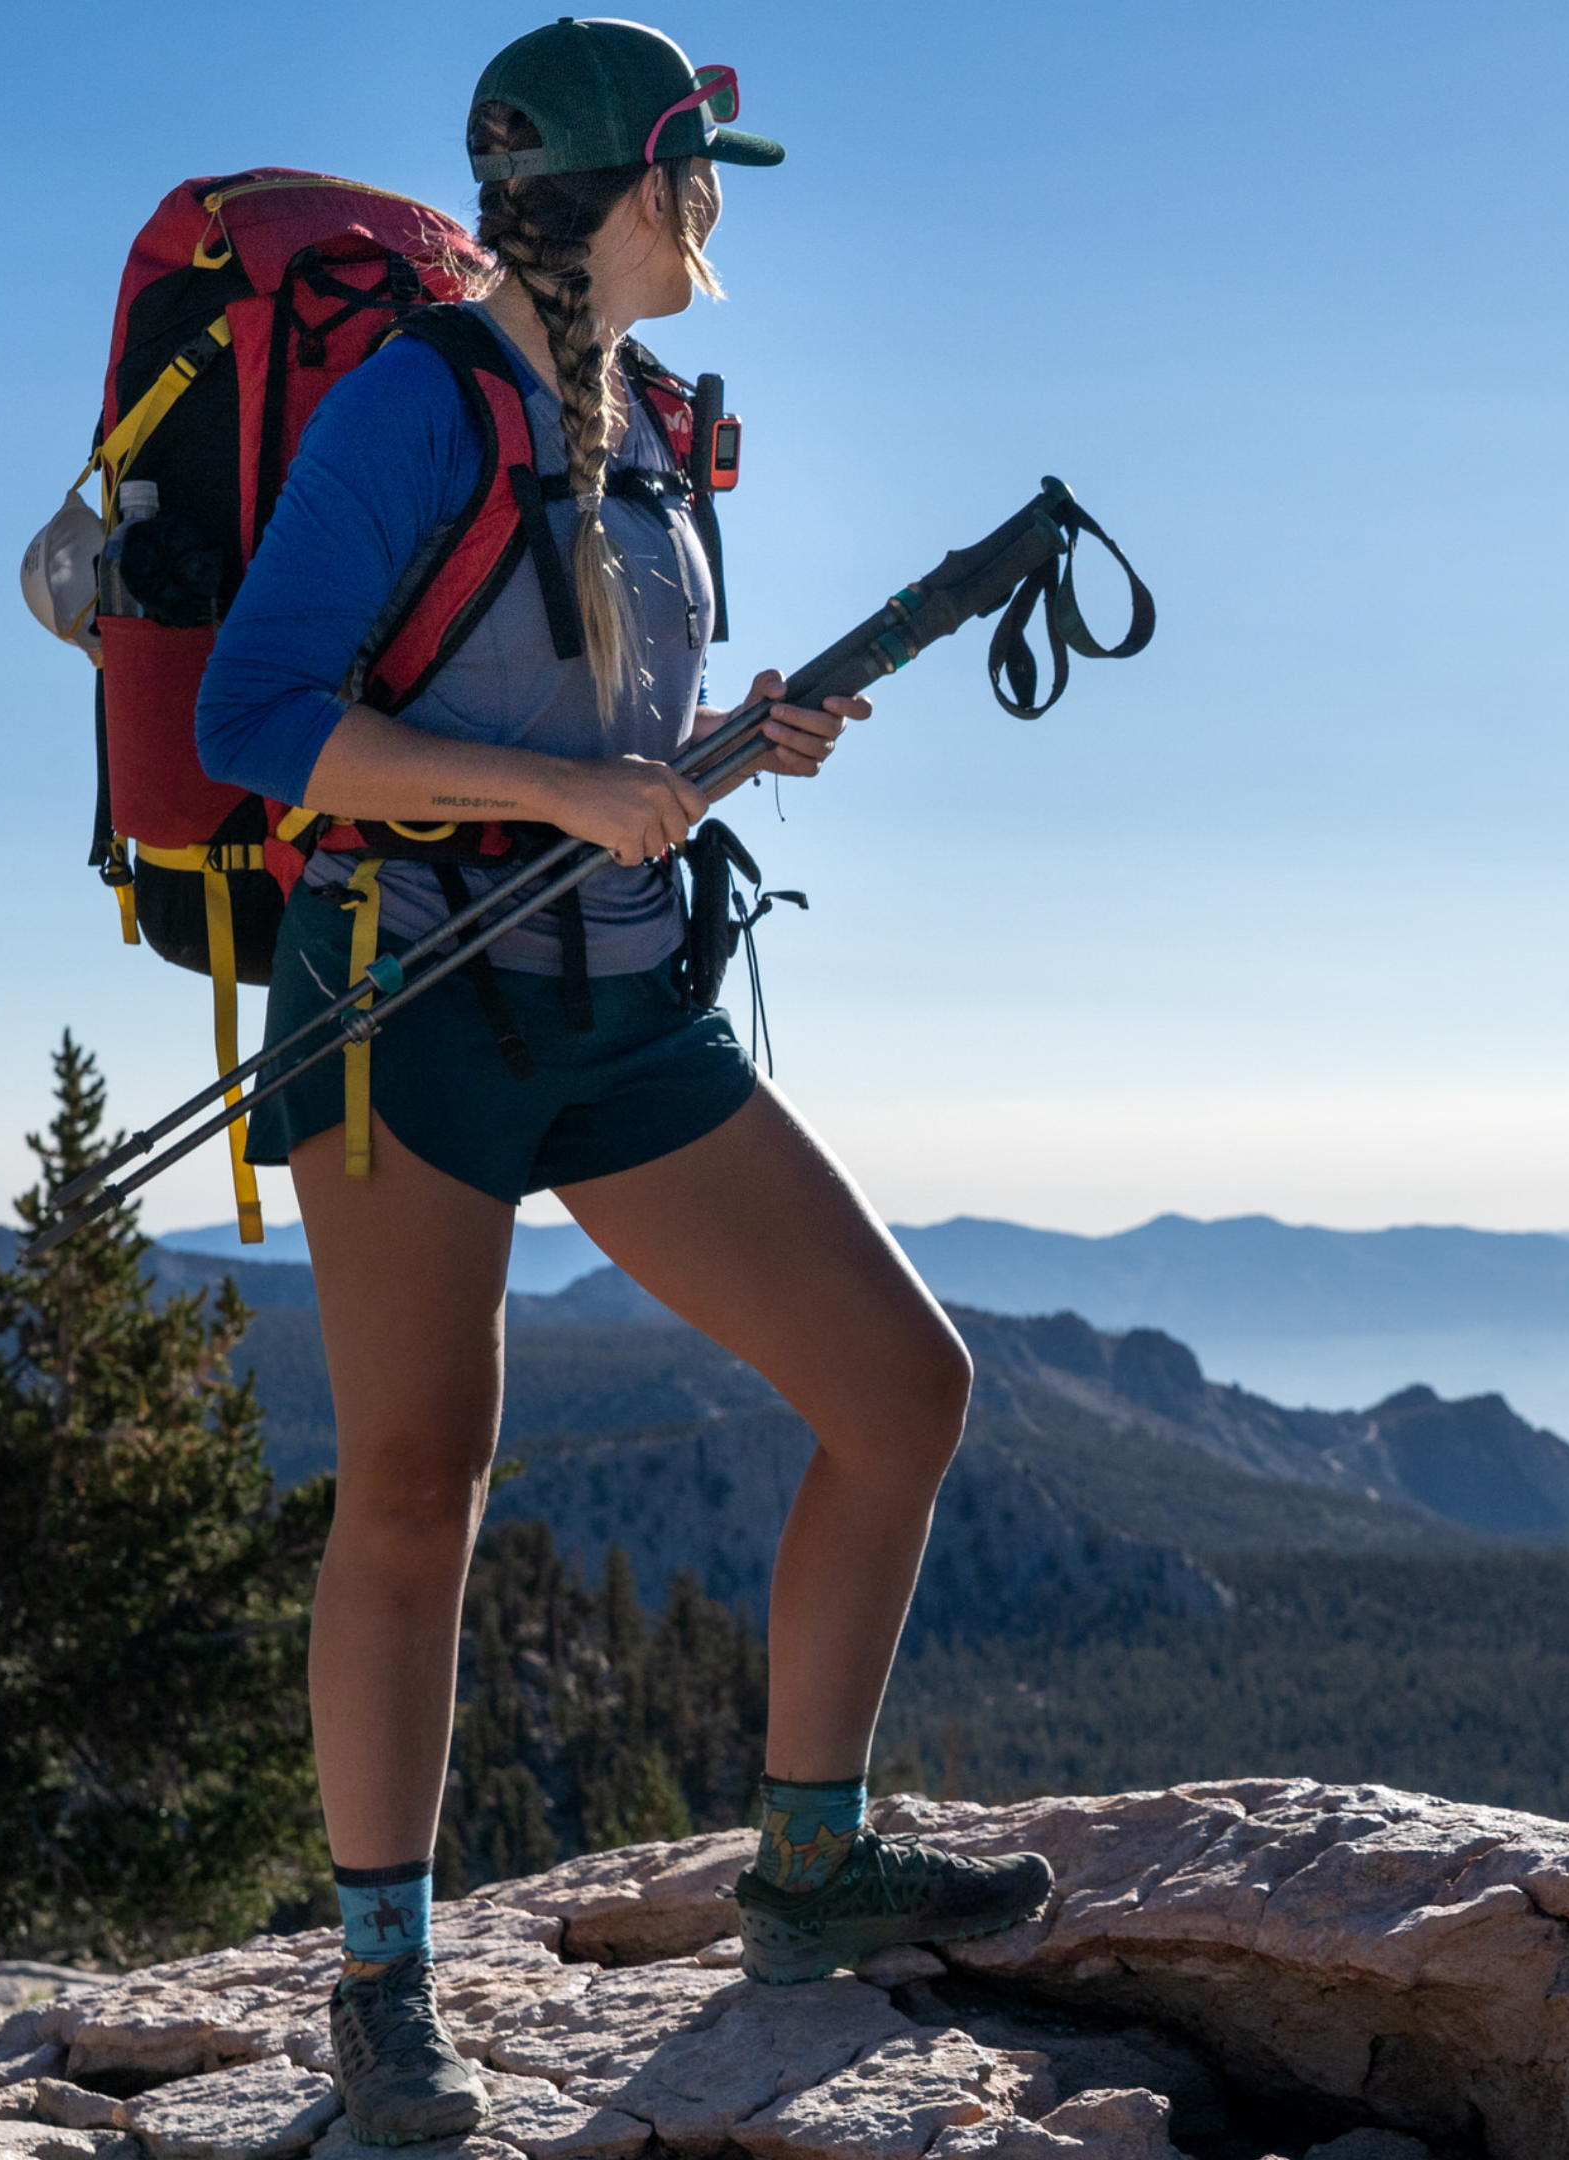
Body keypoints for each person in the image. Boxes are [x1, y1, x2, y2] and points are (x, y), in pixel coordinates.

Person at [195, 20, 1050, 2148]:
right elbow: (256, 719)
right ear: (628, 187)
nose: (721, 209)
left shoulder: (655, 422)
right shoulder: (418, 402)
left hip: (619, 1000)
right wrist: (559, 792)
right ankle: (383, 1997)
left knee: (901, 1386)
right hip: (410, 1008)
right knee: (418, 1476)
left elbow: (619, 727)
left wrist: (739, 732)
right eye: (702, 169)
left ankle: (810, 1865)